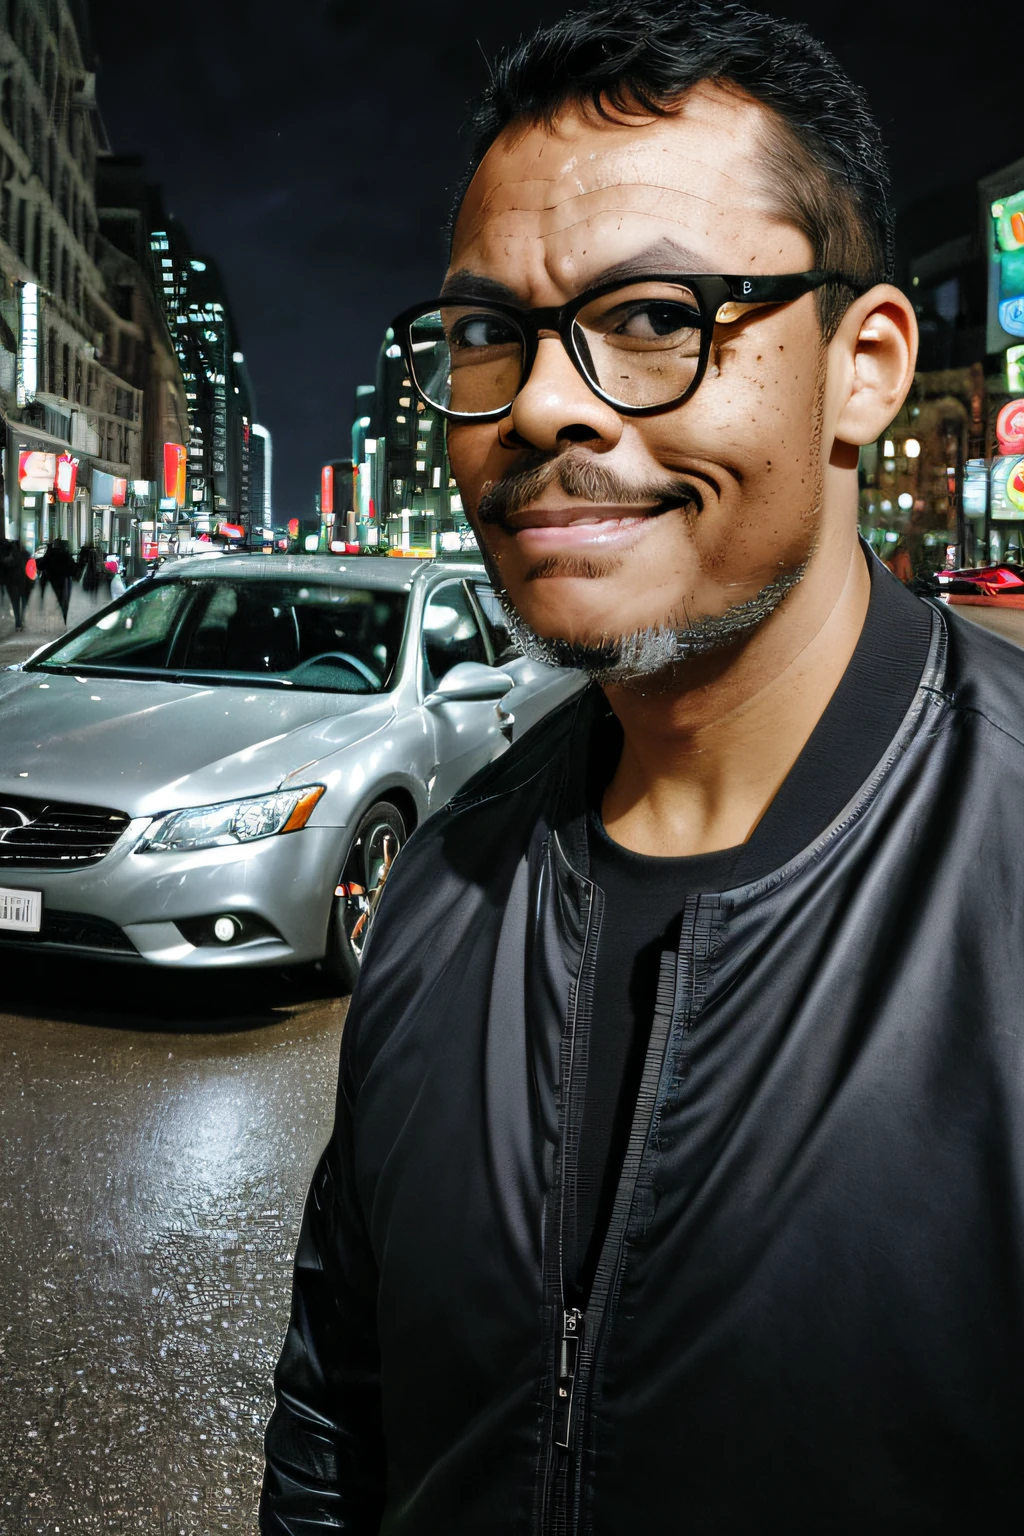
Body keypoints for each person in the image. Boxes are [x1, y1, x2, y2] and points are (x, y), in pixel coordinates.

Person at [262, 4, 1024, 1531]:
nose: (543, 403)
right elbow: (337, 1424)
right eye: (488, 332)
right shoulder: (444, 884)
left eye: (656, 316)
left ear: (864, 367)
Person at [39, 536, 75, 621]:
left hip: (53, 581)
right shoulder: (66, 556)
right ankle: (64, 617)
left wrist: (48, 552)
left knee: (58, 600)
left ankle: (56, 617)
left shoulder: (50, 556)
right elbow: (73, 569)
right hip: (63, 580)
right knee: (64, 601)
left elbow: (40, 566)